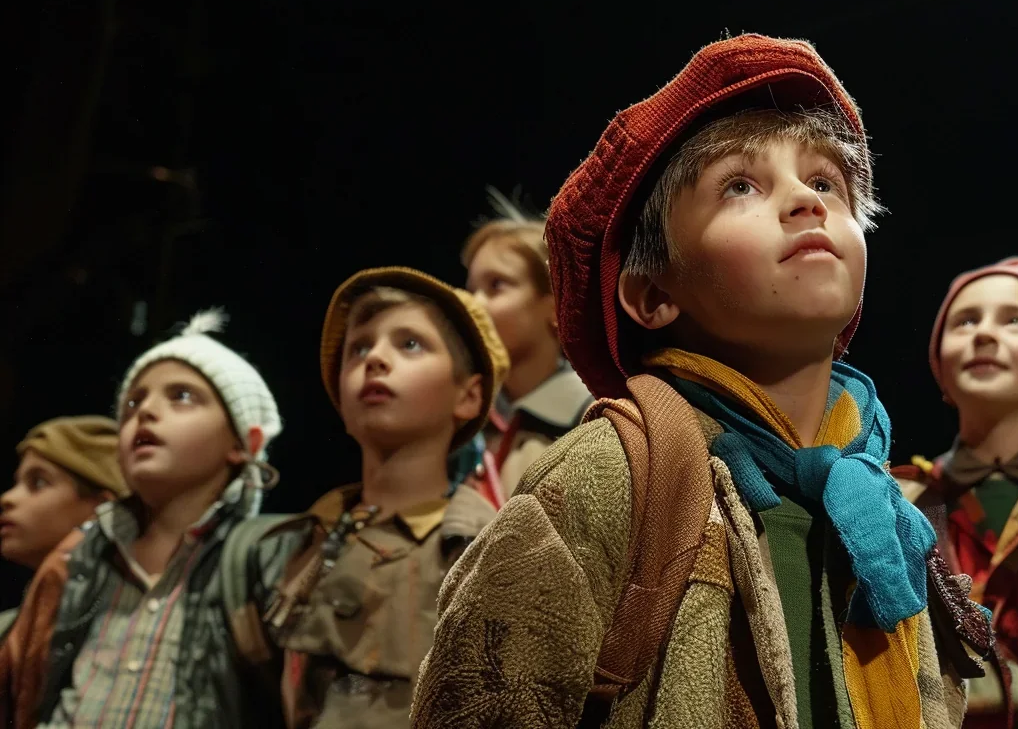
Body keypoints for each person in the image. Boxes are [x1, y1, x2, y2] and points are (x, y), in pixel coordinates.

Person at [412, 34, 995, 728]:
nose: (805, 202)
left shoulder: (884, 506)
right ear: (653, 293)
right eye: (740, 185)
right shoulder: (606, 478)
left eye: (825, 182)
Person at [1, 309, 296, 729]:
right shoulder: (82, 560)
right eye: (134, 402)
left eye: (182, 396)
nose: (147, 411)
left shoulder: (266, 559)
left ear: (242, 443)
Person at [261, 267, 508, 728]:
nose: (375, 358)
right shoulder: (300, 541)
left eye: (410, 344)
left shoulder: (483, 550)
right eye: (359, 348)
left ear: (469, 396)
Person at [893, 257, 1018, 727]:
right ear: (941, 368)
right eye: (965, 321)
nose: (984, 334)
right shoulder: (899, 500)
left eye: (1015, 321)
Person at [455, 188, 593, 506]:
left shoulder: (591, 418)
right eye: (471, 288)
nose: (471, 305)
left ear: (556, 305)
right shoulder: (465, 425)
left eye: (496, 285)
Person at [0, 416, 128, 639]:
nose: (7, 498)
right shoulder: (7, 630)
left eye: (39, 482)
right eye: (16, 483)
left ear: (103, 508)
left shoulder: (120, 632)